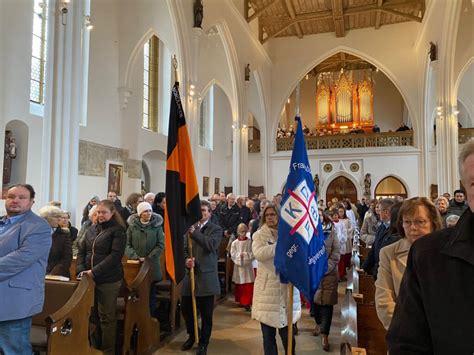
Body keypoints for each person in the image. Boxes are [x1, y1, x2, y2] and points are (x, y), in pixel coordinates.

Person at [387, 138, 474, 354]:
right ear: (466, 192)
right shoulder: (428, 256)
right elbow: (407, 343)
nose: (413, 228)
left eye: (419, 222)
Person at [375, 197, 442, 330]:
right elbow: (384, 302)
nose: (412, 228)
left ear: (433, 223)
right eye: (407, 222)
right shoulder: (389, 253)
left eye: (419, 222)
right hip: (405, 336)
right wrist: (410, 334)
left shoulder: (447, 251)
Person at [0, 184, 51, 355]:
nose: (15, 200)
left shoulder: (38, 226)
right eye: (11, 196)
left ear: (31, 202)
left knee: (14, 350)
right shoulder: (2, 222)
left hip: (15, 300)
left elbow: (21, 258)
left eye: (22, 197)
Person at [76, 200, 126, 354]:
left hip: (109, 279)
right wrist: (80, 269)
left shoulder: (118, 231)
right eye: (98, 212)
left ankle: (108, 351)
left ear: (112, 213)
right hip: (90, 279)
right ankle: (94, 349)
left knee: (106, 317)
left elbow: (115, 256)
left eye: (104, 212)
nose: (100, 215)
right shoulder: (91, 229)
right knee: (92, 315)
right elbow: (82, 250)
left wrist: (94, 271)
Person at [252, 205, 301, 355]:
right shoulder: (259, 235)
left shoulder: (289, 235)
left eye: (273, 214)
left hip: (287, 287)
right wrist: (279, 247)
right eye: (267, 215)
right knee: (268, 336)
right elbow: (259, 253)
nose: (270, 217)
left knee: (288, 336)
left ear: (279, 216)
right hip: (267, 290)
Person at [181, 200, 222, 355]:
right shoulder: (190, 229)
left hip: (206, 276)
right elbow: (185, 248)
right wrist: (186, 259)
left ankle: (204, 342)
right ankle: (193, 335)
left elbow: (210, 245)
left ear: (209, 213)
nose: (201, 213)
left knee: (206, 314)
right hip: (190, 276)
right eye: (199, 211)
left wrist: (194, 233)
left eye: (204, 210)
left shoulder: (215, 229)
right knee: (186, 309)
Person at [125, 201, 164, 316]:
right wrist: (136, 257)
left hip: (151, 264)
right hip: (136, 264)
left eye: (150, 211)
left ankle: (149, 318)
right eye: (146, 211)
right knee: (136, 293)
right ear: (140, 213)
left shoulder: (157, 227)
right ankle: (136, 317)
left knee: (150, 294)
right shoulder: (132, 227)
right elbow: (127, 245)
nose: (149, 213)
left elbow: (160, 245)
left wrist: (148, 258)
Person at [312, 209, 340, 352]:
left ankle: (325, 334)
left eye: (320, 215)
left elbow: (336, 252)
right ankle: (318, 323)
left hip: (329, 273)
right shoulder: (309, 231)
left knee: (327, 305)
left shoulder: (332, 231)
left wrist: (324, 268)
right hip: (313, 273)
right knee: (315, 303)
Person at [361, 198, 395, 278]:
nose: (378, 212)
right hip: (378, 270)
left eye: (379, 210)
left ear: (386, 212)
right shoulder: (382, 227)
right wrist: (364, 267)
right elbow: (374, 249)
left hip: (386, 272)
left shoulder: (395, 229)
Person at [39, 205, 72, 278]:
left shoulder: (64, 235)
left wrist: (52, 274)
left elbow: (67, 258)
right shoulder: (36, 234)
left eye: (60, 217)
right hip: (38, 274)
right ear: (46, 218)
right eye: (56, 217)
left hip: (57, 276)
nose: (59, 219)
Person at [230, 223, 255, 311]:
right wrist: (238, 256)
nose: (243, 233)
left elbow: (253, 254)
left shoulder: (250, 242)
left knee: (248, 284)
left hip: (247, 267)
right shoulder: (234, 243)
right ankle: (241, 301)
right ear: (237, 232)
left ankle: (247, 302)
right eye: (241, 231)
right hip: (238, 267)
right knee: (240, 284)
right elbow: (232, 254)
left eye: (244, 231)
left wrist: (245, 255)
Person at [337, 205, 353, 280]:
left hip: (346, 239)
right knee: (341, 257)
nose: (341, 213)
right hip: (340, 241)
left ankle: (346, 270)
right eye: (339, 212)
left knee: (346, 255)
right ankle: (341, 272)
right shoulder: (337, 220)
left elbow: (351, 228)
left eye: (342, 211)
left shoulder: (347, 220)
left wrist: (346, 231)